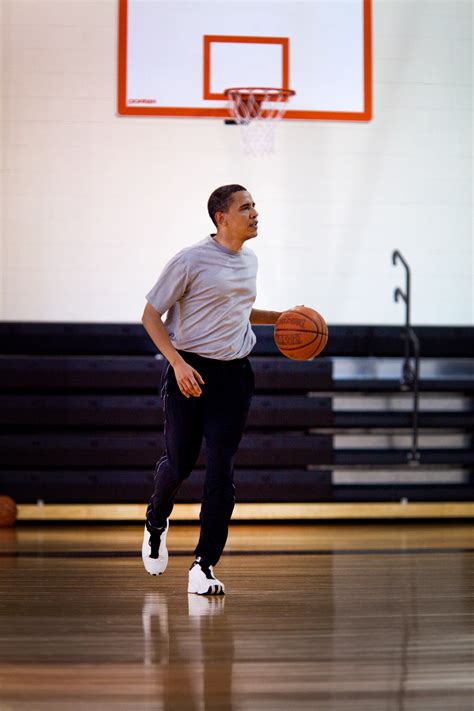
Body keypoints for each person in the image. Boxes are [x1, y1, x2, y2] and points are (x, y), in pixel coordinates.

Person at [141, 184, 283, 595]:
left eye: (255, 205)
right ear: (222, 217)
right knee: (181, 464)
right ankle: (155, 518)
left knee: (222, 469)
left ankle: (203, 565)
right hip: (189, 372)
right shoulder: (190, 260)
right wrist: (177, 363)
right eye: (246, 207)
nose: (255, 212)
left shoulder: (250, 260)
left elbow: (238, 309)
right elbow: (151, 315)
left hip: (233, 377)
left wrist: (284, 318)